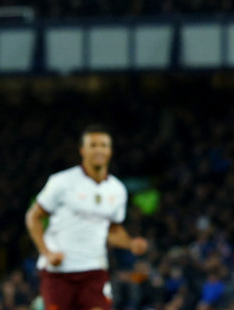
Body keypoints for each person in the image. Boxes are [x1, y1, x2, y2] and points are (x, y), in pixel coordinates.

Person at [25, 126, 149, 310]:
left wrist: (131, 244)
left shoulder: (117, 190)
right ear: (82, 150)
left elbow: (113, 230)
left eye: (103, 145)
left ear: (110, 151)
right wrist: (47, 252)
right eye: (93, 145)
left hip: (94, 272)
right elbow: (33, 217)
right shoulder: (61, 182)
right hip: (58, 273)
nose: (98, 149)